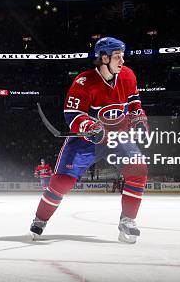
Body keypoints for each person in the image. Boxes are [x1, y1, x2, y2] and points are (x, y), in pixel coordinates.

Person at [29, 37, 149, 243]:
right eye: (118, 57)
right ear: (104, 57)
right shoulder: (84, 82)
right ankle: (40, 219)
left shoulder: (128, 75)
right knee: (62, 182)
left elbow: (134, 101)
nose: (122, 61)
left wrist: (138, 117)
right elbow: (72, 115)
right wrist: (90, 127)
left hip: (117, 136)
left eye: (122, 57)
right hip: (87, 141)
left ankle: (127, 221)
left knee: (138, 170)